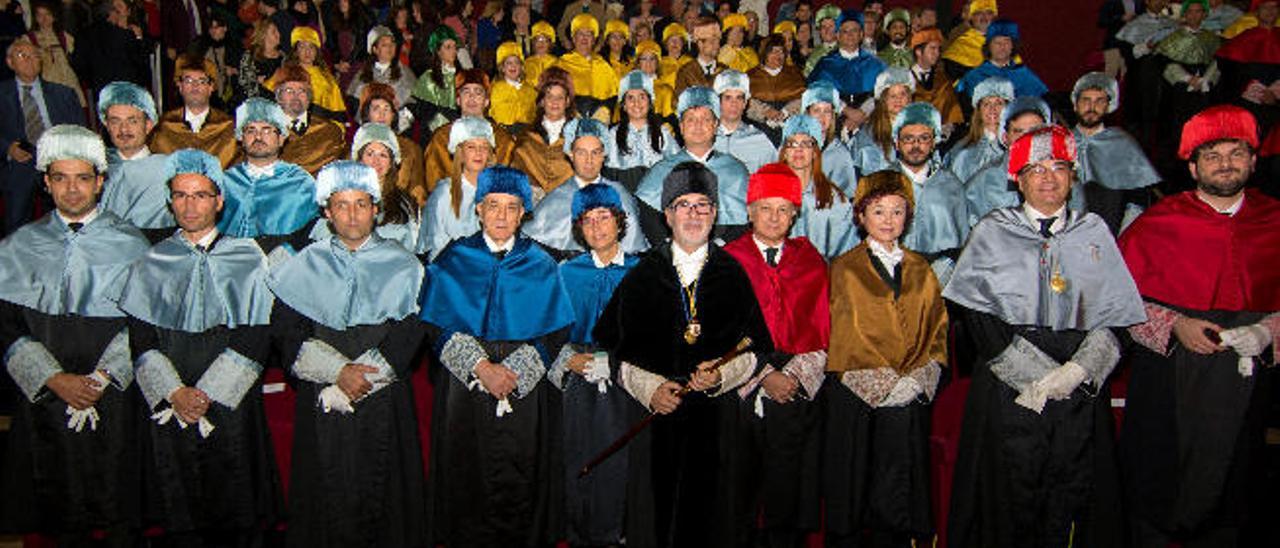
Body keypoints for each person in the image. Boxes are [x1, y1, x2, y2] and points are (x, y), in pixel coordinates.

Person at [944, 125, 1145, 548]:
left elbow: (1116, 315)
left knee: (1077, 490)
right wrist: (1034, 375)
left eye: (1058, 167)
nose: (1048, 177)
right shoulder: (992, 231)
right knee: (1008, 493)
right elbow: (977, 316)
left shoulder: (1093, 231)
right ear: (1018, 179)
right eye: (1036, 169)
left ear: (1073, 176)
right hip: (1010, 384)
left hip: (1079, 383)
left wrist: (1077, 371)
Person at [1118, 105, 1280, 547]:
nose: (1225, 163)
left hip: (1246, 379)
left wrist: (1268, 332)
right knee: (1159, 484)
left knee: (1235, 490)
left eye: (1236, 152)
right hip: (1170, 375)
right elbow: (1119, 305)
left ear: (1253, 160)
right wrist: (1174, 325)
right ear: (1192, 166)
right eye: (1213, 155)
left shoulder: (1277, 220)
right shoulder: (1157, 224)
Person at [592, 161, 774, 548]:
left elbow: (756, 349)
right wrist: (650, 388)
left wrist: (723, 375)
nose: (694, 214)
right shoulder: (642, 275)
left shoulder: (732, 273)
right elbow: (616, 352)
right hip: (656, 418)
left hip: (718, 421)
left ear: (714, 213)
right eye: (684, 205)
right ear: (668, 215)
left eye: (703, 206)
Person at [116, 149, 280, 546]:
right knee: (177, 511)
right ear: (170, 201)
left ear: (219, 200)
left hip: (230, 399)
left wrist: (207, 394)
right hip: (170, 400)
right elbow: (141, 334)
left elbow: (257, 332)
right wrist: (175, 392)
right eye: (181, 195)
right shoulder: (151, 259)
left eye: (201, 195)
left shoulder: (247, 256)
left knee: (236, 506)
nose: (190, 206)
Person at [0, 125, 148, 545]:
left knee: (118, 509)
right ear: (46, 182)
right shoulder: (19, 245)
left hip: (114, 395)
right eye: (60, 178)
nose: (72, 188)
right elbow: (6, 325)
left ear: (100, 181)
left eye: (83, 177)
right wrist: (53, 378)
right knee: (59, 512)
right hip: (46, 395)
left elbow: (142, 323)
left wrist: (101, 378)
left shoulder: (131, 243)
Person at [271, 160, 428, 548]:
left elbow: (411, 332)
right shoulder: (303, 264)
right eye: (342, 205)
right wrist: (338, 373)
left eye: (361, 204)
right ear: (326, 212)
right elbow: (287, 334)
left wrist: (365, 376)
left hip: (386, 395)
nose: (352, 214)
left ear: (376, 209)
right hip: (323, 393)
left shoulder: (405, 264)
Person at [419, 165, 575, 547]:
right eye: (493, 205)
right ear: (478, 209)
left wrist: (516, 371)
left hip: (525, 384)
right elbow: (435, 324)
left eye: (511, 207)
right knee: (466, 469)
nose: (502, 215)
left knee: (523, 469)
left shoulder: (542, 262)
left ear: (523, 212)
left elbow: (556, 328)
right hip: (466, 385)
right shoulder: (452, 258)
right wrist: (481, 367)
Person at [825, 170, 947, 548]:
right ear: (861, 216)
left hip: (909, 395)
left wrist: (917, 378)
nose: (888, 220)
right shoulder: (843, 268)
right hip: (858, 396)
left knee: (898, 492)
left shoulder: (921, 270)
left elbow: (937, 328)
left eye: (897, 211)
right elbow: (844, 330)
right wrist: (880, 382)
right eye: (879, 211)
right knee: (856, 487)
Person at [723, 163, 829, 548]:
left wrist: (795, 377)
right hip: (744, 385)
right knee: (743, 490)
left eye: (783, 209)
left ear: (795, 214)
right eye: (765, 208)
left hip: (796, 386)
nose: (774, 218)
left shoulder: (810, 261)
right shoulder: (728, 261)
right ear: (749, 211)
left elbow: (822, 329)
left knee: (789, 488)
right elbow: (722, 332)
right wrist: (764, 374)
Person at [550, 183, 641, 547]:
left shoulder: (641, 272)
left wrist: (615, 360)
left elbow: (652, 333)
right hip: (578, 380)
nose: (597, 227)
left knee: (621, 461)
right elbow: (547, 332)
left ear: (620, 223)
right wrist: (568, 359)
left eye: (605, 217)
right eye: (588, 220)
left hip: (625, 381)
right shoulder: (566, 273)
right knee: (578, 458)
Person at [635, 86, 752, 244]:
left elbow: (744, 222)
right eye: (691, 119)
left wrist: (716, 248)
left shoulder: (736, 170)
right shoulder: (661, 170)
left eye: (705, 119)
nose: (698, 125)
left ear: (716, 125)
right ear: (681, 126)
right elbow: (651, 221)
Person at [524, 117, 648, 257]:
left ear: (604, 155)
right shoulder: (555, 201)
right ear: (571, 155)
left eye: (595, 153)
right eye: (581, 153)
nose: (589, 161)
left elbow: (636, 250)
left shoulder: (621, 195)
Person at [1, 40, 83, 235]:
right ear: (10, 62)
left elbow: (79, 131)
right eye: (23, 56)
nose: (30, 60)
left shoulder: (63, 94)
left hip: (58, 160)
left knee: (67, 219)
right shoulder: (2, 93)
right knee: (16, 218)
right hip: (20, 160)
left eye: (35, 56)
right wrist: (7, 148)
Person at [1071, 72, 1161, 235]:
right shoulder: (1060, 141)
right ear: (1075, 104)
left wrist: (1123, 237)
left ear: (1108, 106)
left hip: (1109, 231)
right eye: (1086, 100)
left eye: (1100, 101)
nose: (1092, 107)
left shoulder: (1123, 143)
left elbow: (1137, 200)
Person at [218, 97, 318, 240]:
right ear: (241, 138)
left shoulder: (301, 184)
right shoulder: (226, 182)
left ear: (281, 138)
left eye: (266, 130)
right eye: (250, 130)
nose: (258, 136)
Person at [892, 102, 969, 284]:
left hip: (943, 270)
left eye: (924, 138)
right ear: (897, 143)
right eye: (908, 139)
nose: (916, 145)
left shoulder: (951, 184)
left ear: (934, 142)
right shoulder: (883, 181)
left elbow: (962, 236)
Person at [422, 68, 518, 195]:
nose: (472, 97)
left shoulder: (503, 139)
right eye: (466, 92)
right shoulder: (442, 137)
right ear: (458, 100)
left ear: (486, 101)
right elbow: (433, 181)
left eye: (478, 92)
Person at [97, 82, 174, 235]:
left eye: (132, 121)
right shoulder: (97, 169)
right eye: (115, 121)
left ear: (149, 124)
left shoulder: (168, 170)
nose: (123, 129)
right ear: (106, 124)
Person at [780, 114, 858, 261]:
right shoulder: (770, 195)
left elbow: (847, 255)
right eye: (792, 143)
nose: (798, 150)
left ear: (816, 152)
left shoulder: (835, 200)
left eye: (806, 144)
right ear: (784, 151)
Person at [420, 116, 497, 260]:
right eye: (471, 147)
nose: (478, 153)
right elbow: (435, 245)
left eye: (484, 147)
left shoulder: (501, 191)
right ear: (460, 153)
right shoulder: (444, 193)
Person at [151, 54, 240, 168]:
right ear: (180, 86)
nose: (195, 86)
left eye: (202, 81)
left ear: (211, 87)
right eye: (188, 80)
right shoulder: (165, 126)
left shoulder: (228, 127)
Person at [510, 67, 577, 199]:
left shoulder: (578, 135)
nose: (554, 102)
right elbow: (517, 174)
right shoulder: (526, 137)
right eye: (549, 96)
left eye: (560, 97)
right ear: (541, 101)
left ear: (567, 102)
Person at [358, 83, 428, 206]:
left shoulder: (410, 148)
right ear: (367, 114)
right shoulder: (356, 147)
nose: (382, 114)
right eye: (376, 109)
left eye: (386, 109)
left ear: (393, 115)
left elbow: (417, 189)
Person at [271, 64, 347, 176]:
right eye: (289, 90)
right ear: (278, 96)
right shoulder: (264, 132)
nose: (295, 96)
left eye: (301, 91)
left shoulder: (329, 131)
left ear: (310, 96)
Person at [807, 9, 886, 109]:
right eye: (845, 31)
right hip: (834, 114)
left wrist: (864, 111)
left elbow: (884, 92)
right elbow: (816, 91)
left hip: (868, 115)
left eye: (854, 30)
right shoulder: (825, 64)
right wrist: (845, 110)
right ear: (838, 35)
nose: (850, 35)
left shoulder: (875, 64)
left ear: (861, 35)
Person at [955, 19, 1048, 100]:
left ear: (1013, 45)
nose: (1002, 46)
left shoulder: (1025, 75)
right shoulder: (973, 76)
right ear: (989, 46)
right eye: (996, 42)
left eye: (1006, 41)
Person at [264, 27, 346, 117]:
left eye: (311, 47)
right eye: (302, 47)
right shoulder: (285, 72)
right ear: (296, 51)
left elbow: (338, 109)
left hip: (323, 124)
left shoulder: (327, 77)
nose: (307, 51)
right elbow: (268, 94)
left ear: (316, 51)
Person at [944, 76, 1012, 183]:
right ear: (979, 111)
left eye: (998, 103)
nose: (992, 109)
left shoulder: (1015, 148)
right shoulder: (962, 153)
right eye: (986, 104)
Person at [18, 1, 84, 106]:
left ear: (54, 16)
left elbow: (76, 57)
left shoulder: (63, 36)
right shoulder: (28, 39)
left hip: (67, 80)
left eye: (47, 14)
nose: (44, 19)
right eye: (40, 15)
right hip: (44, 81)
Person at [556, 13, 620, 121]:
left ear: (594, 40)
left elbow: (613, 98)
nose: (584, 38)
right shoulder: (562, 64)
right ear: (573, 38)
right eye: (580, 33)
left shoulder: (603, 65)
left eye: (589, 34)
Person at [713, 70, 777, 174]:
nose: (734, 104)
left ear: (745, 103)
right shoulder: (705, 137)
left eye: (739, 98)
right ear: (718, 102)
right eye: (728, 98)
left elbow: (773, 177)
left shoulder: (759, 140)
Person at [745, 34, 806, 141]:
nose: (778, 55)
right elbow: (745, 101)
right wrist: (765, 112)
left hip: (790, 121)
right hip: (758, 125)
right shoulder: (751, 75)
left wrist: (785, 112)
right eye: (773, 51)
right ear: (765, 54)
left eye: (781, 51)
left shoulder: (795, 73)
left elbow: (804, 98)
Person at [347, 25, 418, 109]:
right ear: (375, 49)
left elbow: (413, 102)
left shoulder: (405, 72)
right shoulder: (363, 74)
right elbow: (353, 101)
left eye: (392, 43)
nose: (390, 47)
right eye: (384, 45)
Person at [908, 27, 964, 133]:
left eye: (938, 49)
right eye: (932, 48)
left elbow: (953, 111)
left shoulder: (944, 80)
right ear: (918, 52)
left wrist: (948, 127)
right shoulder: (904, 80)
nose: (937, 53)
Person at [412, 25, 463, 131]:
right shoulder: (428, 78)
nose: (453, 51)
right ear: (438, 51)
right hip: (436, 130)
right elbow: (427, 112)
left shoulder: (462, 75)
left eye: (455, 47)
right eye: (448, 47)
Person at [941, 0, 997, 79]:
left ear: (993, 17)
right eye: (979, 13)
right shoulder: (960, 45)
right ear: (971, 17)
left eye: (989, 13)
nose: (984, 17)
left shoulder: (1004, 42)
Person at [673, 16, 727, 98]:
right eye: (712, 42)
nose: (717, 46)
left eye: (718, 41)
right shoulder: (686, 72)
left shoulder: (724, 70)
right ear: (700, 44)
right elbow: (678, 102)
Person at [489, 41, 538, 130]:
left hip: (526, 131)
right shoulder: (497, 89)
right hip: (504, 130)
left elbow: (533, 113)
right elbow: (497, 113)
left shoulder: (529, 89)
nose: (513, 66)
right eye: (509, 63)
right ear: (503, 68)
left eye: (516, 62)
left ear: (521, 67)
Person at [236, 19, 285, 103]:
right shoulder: (250, 56)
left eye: (278, 31)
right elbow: (244, 85)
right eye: (274, 32)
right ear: (264, 35)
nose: (278, 34)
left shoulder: (283, 57)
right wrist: (257, 82)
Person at [802, 4, 841, 77]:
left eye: (830, 26)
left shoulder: (847, 49)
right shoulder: (814, 54)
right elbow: (807, 77)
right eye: (823, 27)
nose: (827, 30)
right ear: (819, 31)